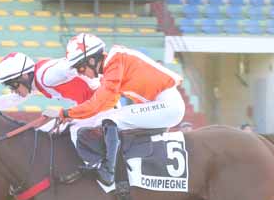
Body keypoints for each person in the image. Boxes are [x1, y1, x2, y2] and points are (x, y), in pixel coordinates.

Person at [42, 33, 185, 185]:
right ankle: (102, 163)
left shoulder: (116, 62)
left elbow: (97, 103)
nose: (80, 73)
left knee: (110, 119)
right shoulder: (112, 68)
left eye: (80, 67)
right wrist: (72, 116)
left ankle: (108, 171)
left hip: (168, 106)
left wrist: (66, 113)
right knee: (105, 117)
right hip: (160, 106)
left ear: (92, 60)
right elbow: (104, 105)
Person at [0, 51, 97, 117]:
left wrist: (97, 85)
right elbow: (12, 99)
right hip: (89, 106)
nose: (13, 90)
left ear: (25, 75)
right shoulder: (35, 81)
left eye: (13, 85)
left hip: (102, 103)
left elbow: (73, 65)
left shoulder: (47, 76)